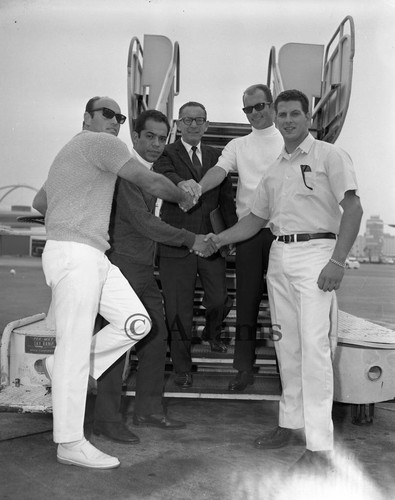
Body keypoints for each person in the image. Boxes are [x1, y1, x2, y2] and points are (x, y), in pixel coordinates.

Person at [32, 96, 196, 470]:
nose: (115, 121)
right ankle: (70, 442)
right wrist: (182, 195)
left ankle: (58, 366)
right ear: (87, 119)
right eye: (106, 114)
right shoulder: (101, 143)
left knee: (136, 322)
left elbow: (41, 201)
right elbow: (150, 180)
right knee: (76, 351)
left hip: (91, 254)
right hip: (76, 253)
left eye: (119, 116)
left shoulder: (71, 153)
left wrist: (71, 216)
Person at [206, 89, 363, 471]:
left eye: (296, 113)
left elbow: (354, 208)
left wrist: (337, 261)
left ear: (308, 117)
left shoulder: (329, 155)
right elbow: (255, 220)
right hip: (280, 254)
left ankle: (320, 447)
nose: (288, 120)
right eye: (283, 115)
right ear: (275, 120)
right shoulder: (275, 168)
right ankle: (290, 424)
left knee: (314, 349)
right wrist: (217, 239)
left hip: (317, 254)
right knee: (287, 348)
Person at [91, 109, 216, 443]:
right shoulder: (126, 173)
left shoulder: (153, 172)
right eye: (150, 136)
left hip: (144, 269)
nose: (157, 144)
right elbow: (144, 223)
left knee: (157, 337)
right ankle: (107, 419)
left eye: (163, 138)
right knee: (120, 342)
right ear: (135, 137)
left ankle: (147, 411)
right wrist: (192, 240)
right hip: (122, 268)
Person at [185, 84, 284, 391]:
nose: (255, 113)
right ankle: (243, 369)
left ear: (271, 105)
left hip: (283, 233)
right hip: (249, 233)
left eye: (260, 106)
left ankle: (287, 369)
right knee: (248, 303)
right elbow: (218, 170)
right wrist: (197, 188)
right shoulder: (239, 145)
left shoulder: (289, 140)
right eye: (248, 109)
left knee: (287, 306)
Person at [153, 101, 237, 389]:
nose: (192, 124)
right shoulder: (166, 152)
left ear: (206, 125)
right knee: (178, 310)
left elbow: (226, 199)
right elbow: (165, 174)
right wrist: (184, 181)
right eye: (187, 120)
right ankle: (182, 367)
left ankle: (211, 333)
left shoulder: (217, 156)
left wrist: (230, 237)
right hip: (177, 241)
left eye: (198, 120)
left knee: (219, 299)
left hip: (211, 241)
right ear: (178, 124)